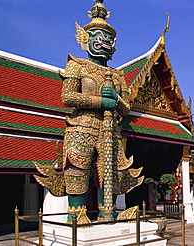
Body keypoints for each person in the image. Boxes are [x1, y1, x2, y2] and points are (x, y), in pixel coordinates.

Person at [34, 0, 143, 223]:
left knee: (110, 172)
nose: (105, 44)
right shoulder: (77, 65)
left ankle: (108, 213)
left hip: (110, 130)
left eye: (109, 41)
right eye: (99, 39)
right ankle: (76, 214)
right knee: (78, 167)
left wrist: (115, 101)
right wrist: (101, 101)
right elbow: (68, 97)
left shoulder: (118, 74)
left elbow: (125, 108)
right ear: (86, 39)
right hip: (82, 125)